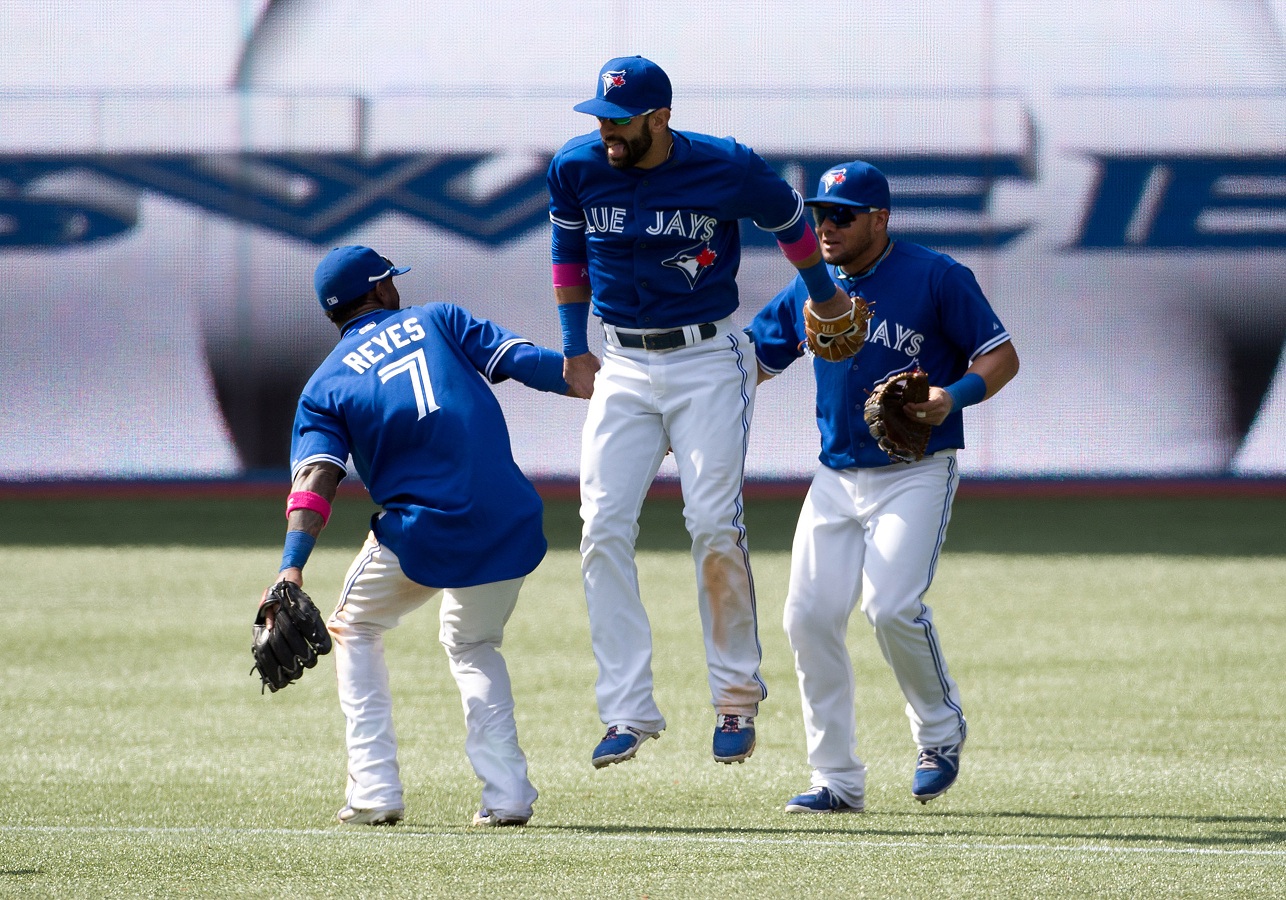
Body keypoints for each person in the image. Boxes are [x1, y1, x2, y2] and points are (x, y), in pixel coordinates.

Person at [546, 55, 859, 769]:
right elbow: (567, 250)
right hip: (622, 359)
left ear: (660, 117)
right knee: (600, 526)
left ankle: (735, 697)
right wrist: (573, 347)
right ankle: (627, 711)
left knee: (713, 521)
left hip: (706, 359)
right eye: (599, 117)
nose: (606, 131)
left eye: (620, 120)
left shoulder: (724, 165)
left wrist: (825, 294)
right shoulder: (578, 165)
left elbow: (788, 218)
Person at [264, 244, 571, 828]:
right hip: (509, 521)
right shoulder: (439, 319)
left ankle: (375, 792)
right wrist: (600, 383)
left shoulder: (324, 385)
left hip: (424, 534)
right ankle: (507, 796)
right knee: (473, 644)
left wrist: (291, 566)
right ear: (379, 291)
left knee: (354, 627)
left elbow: (314, 481)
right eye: (390, 281)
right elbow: (527, 361)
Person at [750, 161, 1020, 812]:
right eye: (819, 215)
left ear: (880, 218)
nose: (826, 226)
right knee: (807, 619)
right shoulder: (812, 287)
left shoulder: (936, 276)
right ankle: (836, 781)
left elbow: (1001, 356)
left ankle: (939, 732)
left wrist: (951, 396)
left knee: (892, 605)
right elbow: (755, 360)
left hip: (915, 471)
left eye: (841, 214)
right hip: (837, 475)